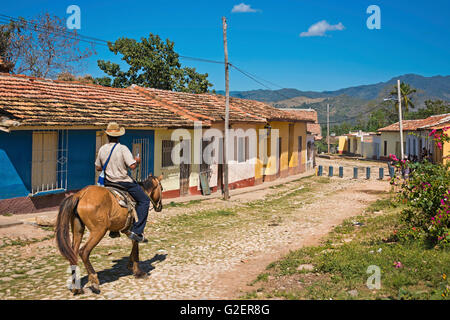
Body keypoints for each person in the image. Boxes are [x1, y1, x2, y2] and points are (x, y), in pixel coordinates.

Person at [95, 122, 150, 243]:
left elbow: (98, 168)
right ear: (119, 136)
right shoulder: (123, 148)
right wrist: (137, 161)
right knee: (144, 201)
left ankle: (114, 229)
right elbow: (132, 166)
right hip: (123, 182)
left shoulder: (102, 149)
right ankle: (137, 230)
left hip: (108, 183)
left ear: (107, 136)